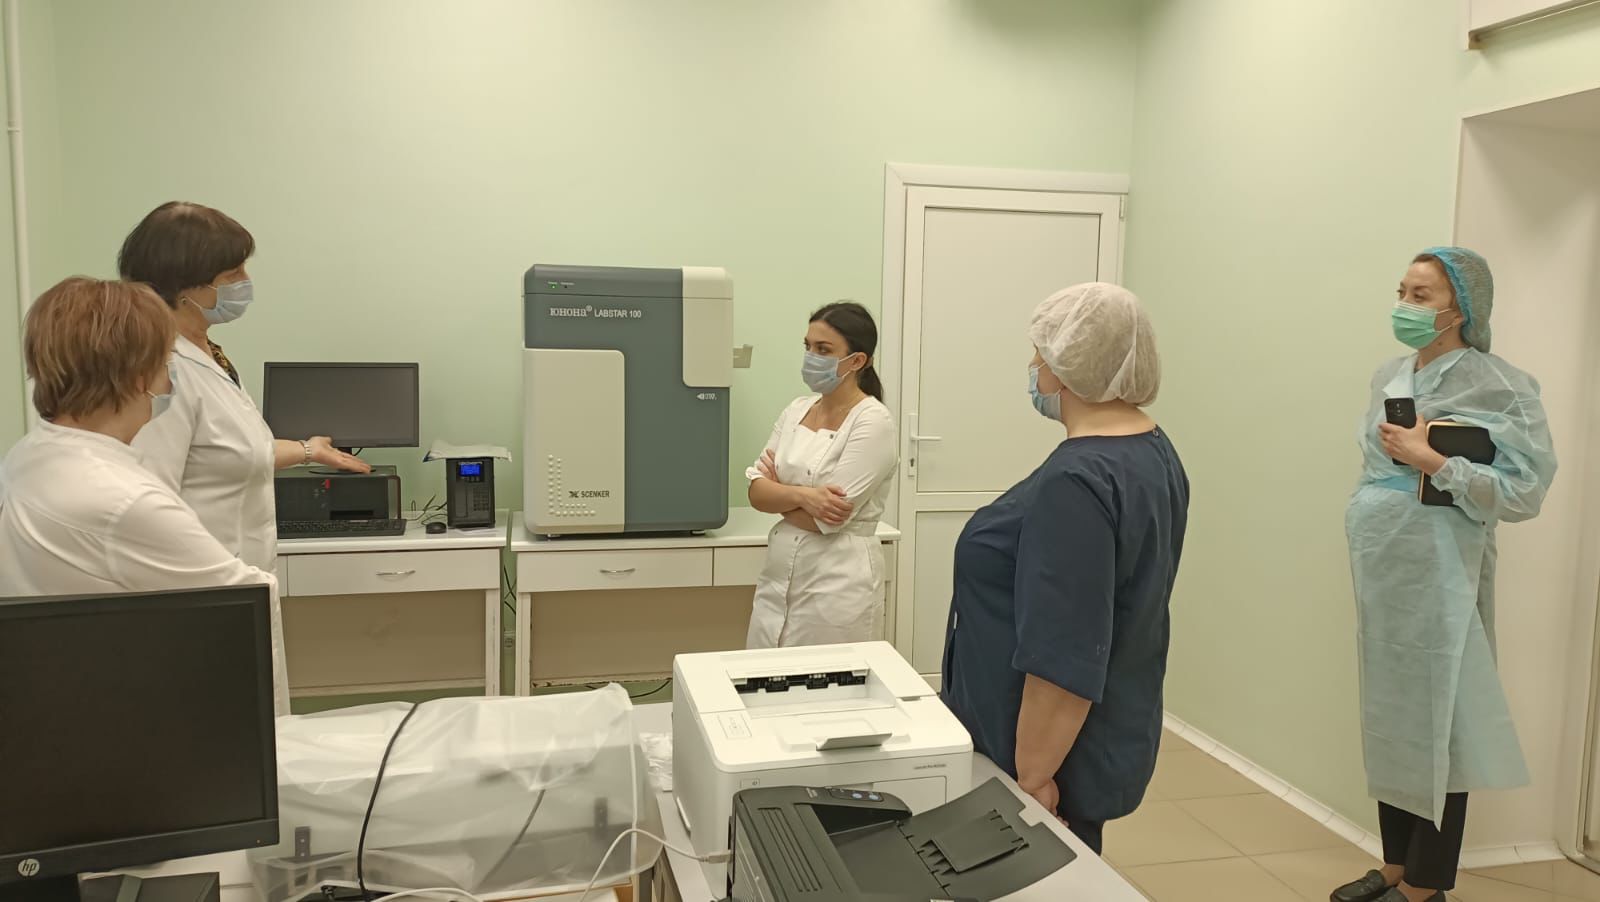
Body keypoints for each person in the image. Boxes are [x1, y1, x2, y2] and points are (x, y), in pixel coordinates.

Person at [1334, 248, 1556, 902]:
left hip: (1445, 574)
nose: (1404, 305)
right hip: (1386, 570)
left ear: (1460, 308)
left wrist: (1435, 460)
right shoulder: (1390, 375)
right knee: (1391, 713)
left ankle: (1425, 883)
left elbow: (1524, 493)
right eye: (1401, 290)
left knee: (1442, 722)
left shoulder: (1500, 385)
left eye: (1421, 295)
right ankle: (1395, 864)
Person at [939, 282, 1188, 855]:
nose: (1033, 368)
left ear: (1070, 365)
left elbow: (1064, 653)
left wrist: (1034, 776)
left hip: (1043, 753)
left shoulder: (1077, 481)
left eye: (1039, 354)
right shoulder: (1152, 450)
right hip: (1106, 724)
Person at [0, 278, 290, 714]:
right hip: (124, 709)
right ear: (140, 377)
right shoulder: (125, 500)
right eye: (166, 363)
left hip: (53, 694)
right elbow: (244, 603)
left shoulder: (30, 454)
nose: (170, 379)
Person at [119, 201, 368, 574]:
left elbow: (228, 451)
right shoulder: (163, 373)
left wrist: (308, 450)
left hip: (239, 578)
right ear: (183, 287)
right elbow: (150, 505)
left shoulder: (208, 355)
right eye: (233, 273)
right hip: (201, 583)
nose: (245, 281)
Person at [745, 301, 897, 648]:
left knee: (825, 678)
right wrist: (804, 496)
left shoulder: (872, 422)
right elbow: (755, 494)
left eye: (824, 349)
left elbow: (826, 519)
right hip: (779, 578)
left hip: (837, 584)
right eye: (808, 346)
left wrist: (778, 491)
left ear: (857, 361)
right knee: (765, 672)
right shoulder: (797, 409)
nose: (811, 357)